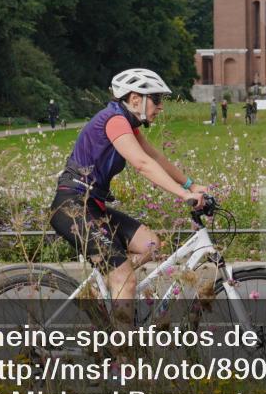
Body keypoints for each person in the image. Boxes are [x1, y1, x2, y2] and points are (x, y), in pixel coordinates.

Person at [49, 68, 208, 312]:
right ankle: (123, 349)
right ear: (135, 99)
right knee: (125, 277)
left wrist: (190, 184)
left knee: (151, 244)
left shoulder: (127, 123)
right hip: (72, 206)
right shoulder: (114, 121)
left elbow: (154, 156)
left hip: (92, 205)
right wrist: (184, 195)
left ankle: (107, 285)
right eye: (156, 100)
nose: (161, 107)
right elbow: (142, 164)